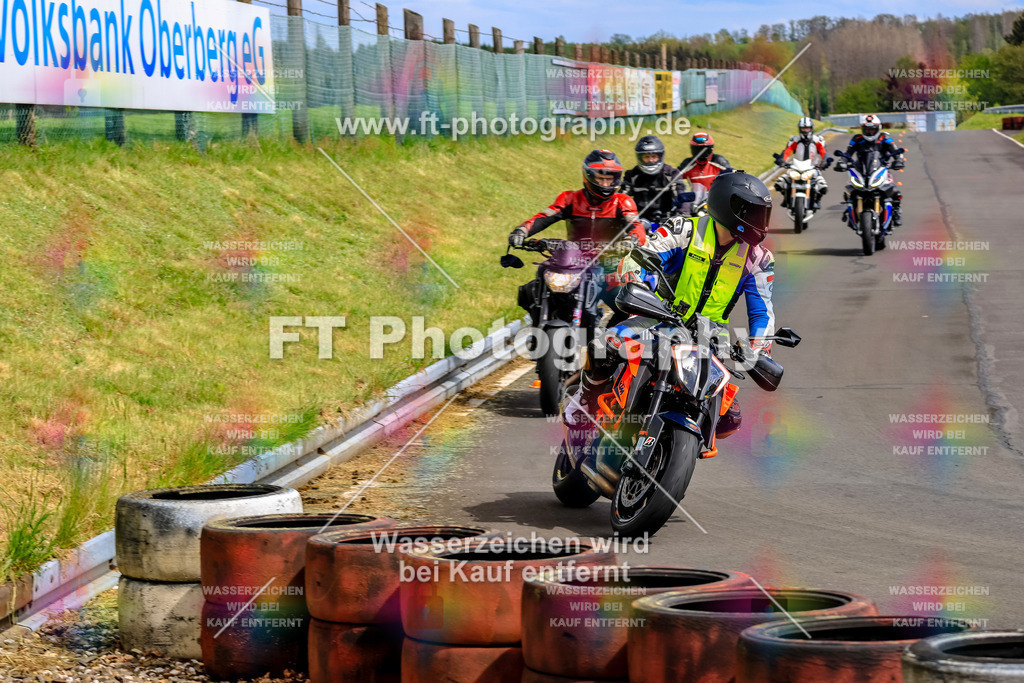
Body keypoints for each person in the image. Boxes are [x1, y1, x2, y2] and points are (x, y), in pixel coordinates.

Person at [565, 170, 776, 444]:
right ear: (728, 206)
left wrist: (759, 348)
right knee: (604, 346)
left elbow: (762, 311)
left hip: (710, 338)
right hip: (658, 317)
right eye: (752, 213)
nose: (759, 222)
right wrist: (634, 280)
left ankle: (676, 445)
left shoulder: (760, 259)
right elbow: (638, 258)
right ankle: (586, 396)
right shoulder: (684, 229)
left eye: (763, 214)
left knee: (728, 420)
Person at [508, 149, 648, 322]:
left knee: (628, 306)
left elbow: (637, 227)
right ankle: (539, 325)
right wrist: (522, 231)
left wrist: (630, 240)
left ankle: (610, 345)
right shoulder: (569, 199)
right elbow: (544, 218)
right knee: (538, 282)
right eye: (600, 178)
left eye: (609, 178)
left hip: (609, 267)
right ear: (588, 175)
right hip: (573, 265)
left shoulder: (623, 202)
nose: (605, 183)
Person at [842, 114, 905, 225]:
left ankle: (896, 212)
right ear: (862, 129)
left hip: (881, 170)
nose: (869, 132)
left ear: (878, 128)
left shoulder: (885, 138)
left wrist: (898, 160)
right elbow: (848, 152)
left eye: (872, 129)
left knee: (894, 190)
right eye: (867, 129)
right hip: (862, 170)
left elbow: (895, 151)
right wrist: (842, 161)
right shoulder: (857, 139)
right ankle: (850, 211)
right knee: (849, 190)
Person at [621, 136, 685, 226]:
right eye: (646, 157)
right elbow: (621, 198)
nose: (650, 160)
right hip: (639, 223)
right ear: (640, 158)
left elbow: (680, 195)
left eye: (653, 156)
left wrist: (684, 215)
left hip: (668, 222)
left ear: (660, 157)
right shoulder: (631, 175)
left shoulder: (672, 174)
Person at [776, 116, 829, 210]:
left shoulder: (818, 140)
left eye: (807, 128)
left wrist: (824, 161)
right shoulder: (794, 140)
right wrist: (782, 160)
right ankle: (786, 199)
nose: (805, 130)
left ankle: (817, 200)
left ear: (811, 128)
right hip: (796, 167)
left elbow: (823, 152)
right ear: (799, 129)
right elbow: (787, 151)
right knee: (781, 182)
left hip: (813, 168)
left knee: (822, 185)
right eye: (803, 128)